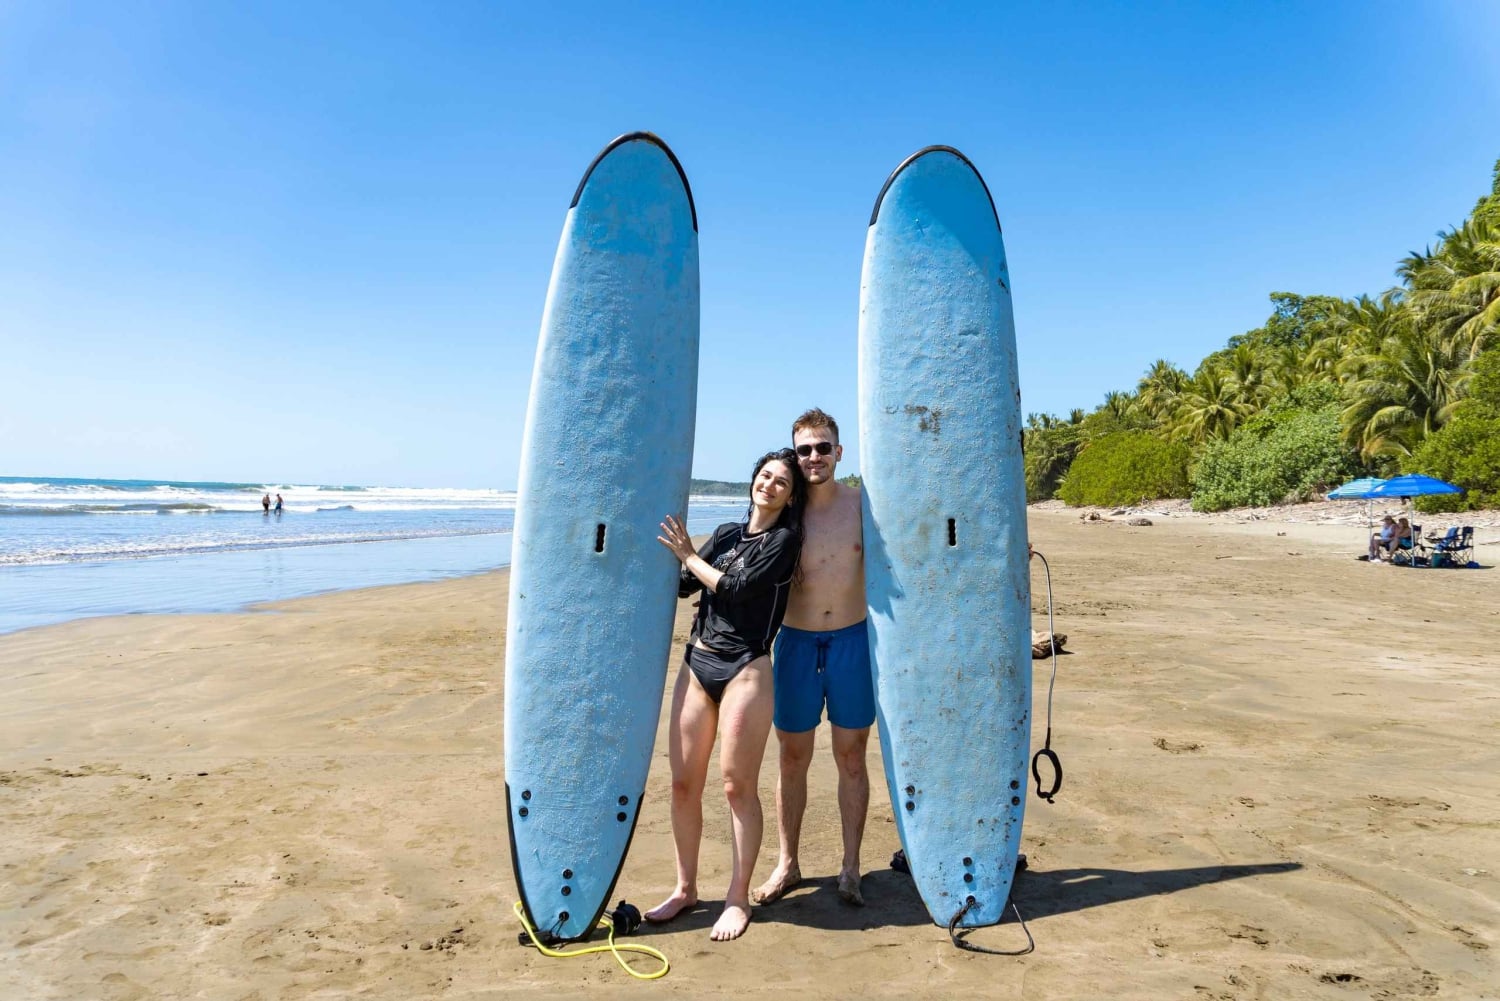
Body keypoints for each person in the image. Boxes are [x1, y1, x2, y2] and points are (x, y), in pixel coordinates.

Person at [646, 449, 807, 942]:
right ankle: (686, 888)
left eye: (782, 481)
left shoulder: (784, 541)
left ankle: (738, 897)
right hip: (697, 662)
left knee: (737, 786)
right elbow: (681, 587)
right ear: (752, 481)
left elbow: (735, 589)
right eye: (765, 476)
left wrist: (690, 557)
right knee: (682, 784)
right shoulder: (727, 534)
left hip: (746, 669)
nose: (770, 485)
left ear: (791, 495)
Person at [753, 408, 876, 908]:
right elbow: (741, 545)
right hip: (797, 643)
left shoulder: (864, 505)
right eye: (804, 449)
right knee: (792, 758)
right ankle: (788, 863)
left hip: (852, 641)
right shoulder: (785, 510)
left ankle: (851, 868)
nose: (814, 457)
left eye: (823, 447)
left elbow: (924, 541)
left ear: (839, 452)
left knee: (851, 756)